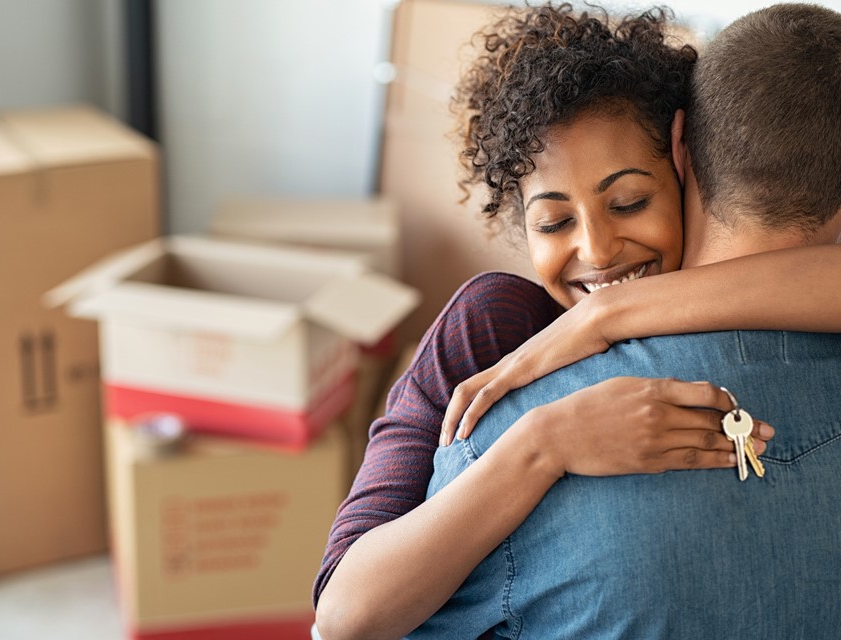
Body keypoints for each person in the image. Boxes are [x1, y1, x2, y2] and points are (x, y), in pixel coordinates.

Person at [313, 5, 841, 639]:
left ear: (682, 163)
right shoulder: (490, 335)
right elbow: (341, 617)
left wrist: (607, 313)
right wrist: (545, 444)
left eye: (629, 202)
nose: (598, 251)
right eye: (555, 223)